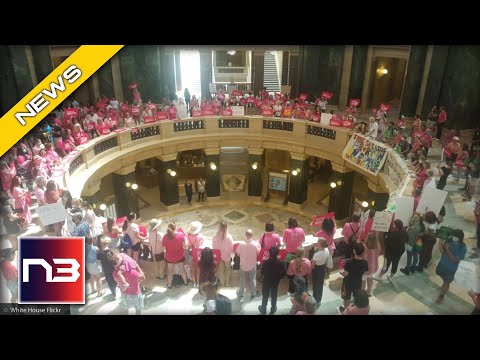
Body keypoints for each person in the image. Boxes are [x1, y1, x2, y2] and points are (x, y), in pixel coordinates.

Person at [108, 249, 145, 315]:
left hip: (124, 294)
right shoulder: (133, 272)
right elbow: (143, 277)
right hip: (135, 294)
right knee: (138, 310)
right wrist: (137, 266)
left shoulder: (114, 273)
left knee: (126, 310)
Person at [435, 230, 467, 304]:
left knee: (446, 282)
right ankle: (444, 287)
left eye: (455, 236)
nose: (453, 238)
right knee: (444, 280)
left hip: (450, 269)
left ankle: (441, 296)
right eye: (453, 236)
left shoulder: (462, 248)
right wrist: (440, 244)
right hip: (442, 265)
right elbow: (443, 253)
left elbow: (454, 260)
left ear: (460, 238)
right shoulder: (448, 241)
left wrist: (447, 249)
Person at [258, 245, 286, 315]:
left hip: (266, 281)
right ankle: (273, 308)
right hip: (275, 281)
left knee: (265, 295)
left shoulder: (265, 262)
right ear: (278, 253)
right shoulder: (281, 263)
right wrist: (279, 277)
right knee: (274, 294)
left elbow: (262, 272)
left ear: (269, 253)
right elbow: (284, 273)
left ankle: (263, 309)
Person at [340, 242, 368, 308]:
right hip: (358, 283)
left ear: (354, 251)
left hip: (348, 283)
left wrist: (341, 273)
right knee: (357, 297)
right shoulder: (365, 262)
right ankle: (355, 308)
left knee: (346, 298)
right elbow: (365, 274)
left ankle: (346, 310)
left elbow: (346, 274)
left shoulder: (348, 262)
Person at [162, 222, 188, 289]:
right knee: (182, 269)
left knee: (170, 271)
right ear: (175, 227)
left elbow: (164, 249)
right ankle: (185, 282)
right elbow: (185, 246)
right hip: (179, 256)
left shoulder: (165, 236)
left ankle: (169, 285)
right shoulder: (181, 235)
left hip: (169, 257)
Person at [236, 229, 260, 300]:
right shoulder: (256, 244)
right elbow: (259, 252)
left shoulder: (241, 244)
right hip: (252, 265)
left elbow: (237, 253)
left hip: (243, 265)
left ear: (246, 235)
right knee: (252, 279)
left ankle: (240, 294)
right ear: (252, 235)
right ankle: (253, 293)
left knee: (242, 279)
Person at [311, 238, 333, 304]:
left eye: (317, 242)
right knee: (320, 284)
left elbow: (312, 266)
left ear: (320, 244)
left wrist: (312, 261)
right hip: (323, 268)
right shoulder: (326, 250)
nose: (316, 243)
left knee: (315, 284)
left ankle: (315, 298)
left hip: (316, 269)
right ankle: (319, 299)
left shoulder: (316, 254)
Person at [212, 221, 234, 287]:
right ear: (226, 228)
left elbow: (213, 247)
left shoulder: (215, 236)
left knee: (221, 271)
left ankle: (222, 283)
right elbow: (232, 248)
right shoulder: (229, 237)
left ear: (219, 227)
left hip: (219, 256)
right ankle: (227, 283)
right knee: (228, 269)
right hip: (227, 256)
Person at [186, 221, 204, 287]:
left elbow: (187, 245)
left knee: (192, 269)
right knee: (198, 269)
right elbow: (201, 245)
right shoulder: (200, 236)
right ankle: (198, 283)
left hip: (190, 254)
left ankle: (194, 283)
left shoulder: (187, 236)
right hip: (198, 254)